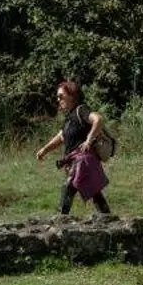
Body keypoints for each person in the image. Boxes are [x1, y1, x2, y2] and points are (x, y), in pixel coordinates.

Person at [36, 80, 112, 215]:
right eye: (57, 97)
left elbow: (98, 119)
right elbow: (61, 137)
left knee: (68, 186)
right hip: (75, 162)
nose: (58, 99)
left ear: (71, 96)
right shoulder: (69, 117)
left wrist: (89, 139)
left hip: (83, 161)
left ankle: (60, 218)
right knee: (95, 192)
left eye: (61, 96)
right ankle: (107, 217)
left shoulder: (81, 110)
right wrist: (44, 150)